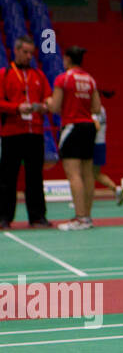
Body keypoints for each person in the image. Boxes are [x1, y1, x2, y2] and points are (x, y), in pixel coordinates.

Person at [44, 46, 102, 231]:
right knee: (87, 174)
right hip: (89, 127)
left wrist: (48, 101)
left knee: (73, 174)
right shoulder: (90, 79)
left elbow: (54, 107)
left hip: (72, 127)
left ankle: (79, 218)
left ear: (67, 59)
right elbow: (97, 108)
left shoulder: (64, 78)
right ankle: (87, 217)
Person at [0, 35, 53, 229]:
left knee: (35, 177)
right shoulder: (4, 75)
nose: (29, 56)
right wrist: (16, 108)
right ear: (16, 51)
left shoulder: (39, 75)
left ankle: (37, 217)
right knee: (7, 177)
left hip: (35, 133)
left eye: (31, 53)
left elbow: (49, 98)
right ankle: (3, 217)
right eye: (25, 52)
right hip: (11, 133)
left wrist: (47, 104)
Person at [91, 100, 123, 206]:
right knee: (95, 174)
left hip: (93, 145)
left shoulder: (93, 110)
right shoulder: (102, 109)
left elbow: (96, 127)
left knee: (88, 174)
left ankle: (83, 200)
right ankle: (116, 189)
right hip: (101, 144)